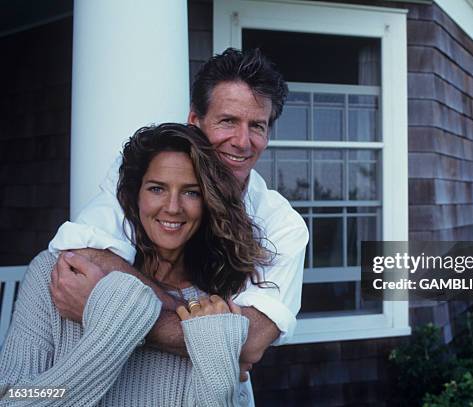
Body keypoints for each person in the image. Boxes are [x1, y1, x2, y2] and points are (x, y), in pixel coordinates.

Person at [47, 48, 308, 401]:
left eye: (257, 126)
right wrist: (213, 334)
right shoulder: (142, 174)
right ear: (194, 122)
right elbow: (81, 256)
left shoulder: (282, 225)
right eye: (227, 121)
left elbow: (247, 346)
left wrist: (112, 311)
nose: (243, 141)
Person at [0, 123, 271, 405]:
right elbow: (12, 395)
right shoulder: (61, 275)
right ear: (134, 195)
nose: (173, 207)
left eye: (191, 192)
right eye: (157, 189)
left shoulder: (211, 310)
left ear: (209, 202)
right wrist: (117, 323)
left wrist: (215, 345)